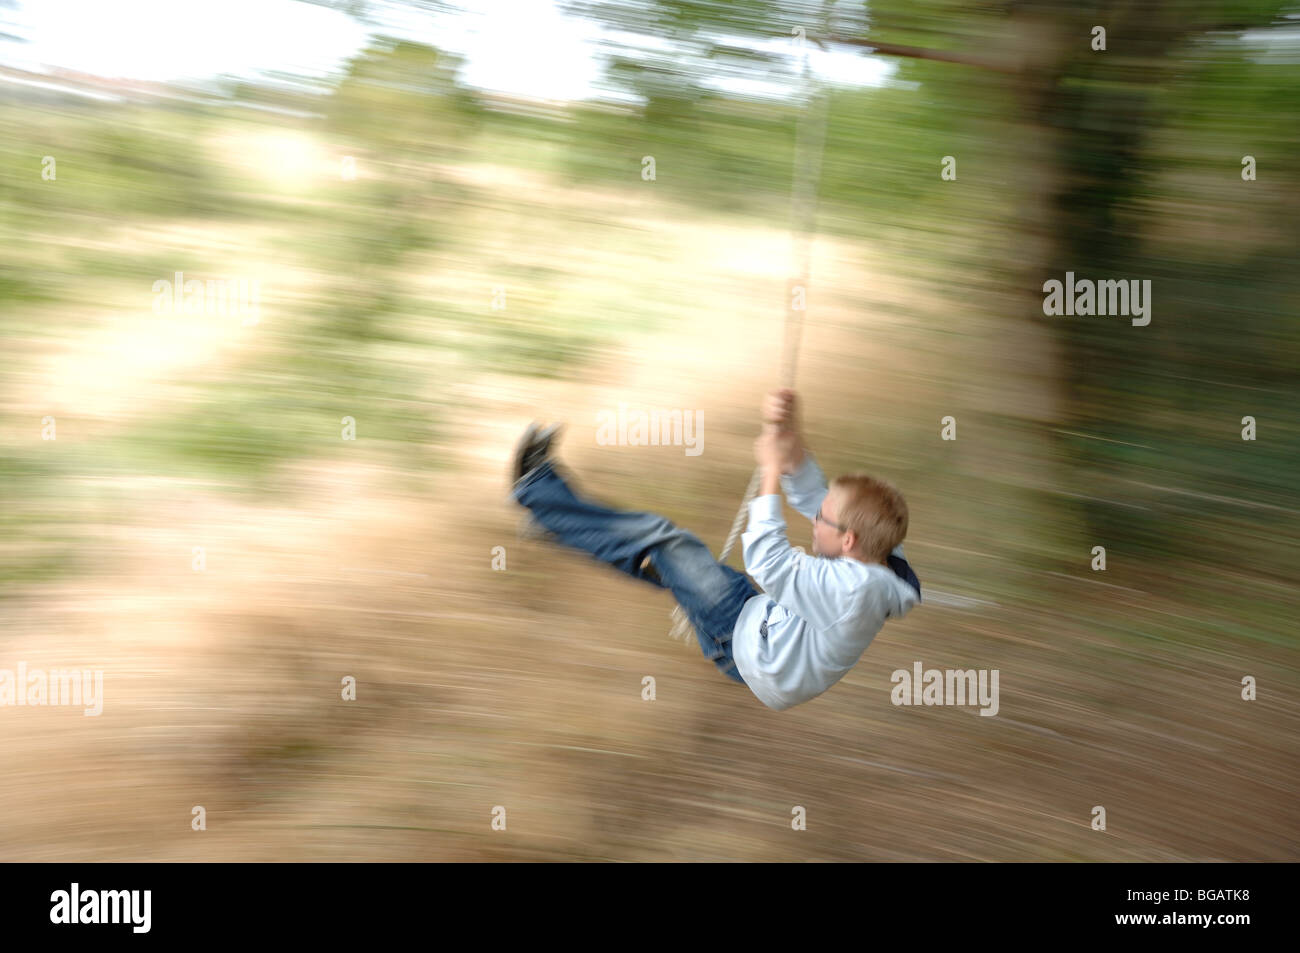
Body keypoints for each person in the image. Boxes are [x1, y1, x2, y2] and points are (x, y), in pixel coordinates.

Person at [508, 388, 921, 711]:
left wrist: (772, 470)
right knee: (664, 564)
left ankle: (533, 486)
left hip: (746, 642)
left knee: (666, 540)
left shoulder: (852, 590)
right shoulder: (879, 555)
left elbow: (767, 559)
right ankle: (560, 523)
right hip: (759, 625)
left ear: (848, 541)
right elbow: (815, 493)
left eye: (823, 518)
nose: (815, 517)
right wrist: (790, 436)